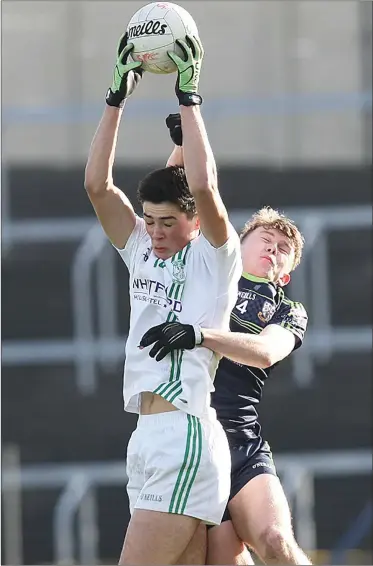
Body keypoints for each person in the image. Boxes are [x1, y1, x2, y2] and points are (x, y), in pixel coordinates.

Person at [84, 32, 242, 565]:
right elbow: (98, 186)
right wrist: (115, 99)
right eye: (148, 221)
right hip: (147, 438)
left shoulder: (214, 257)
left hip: (184, 434)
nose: (153, 231)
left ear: (194, 222)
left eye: (167, 222)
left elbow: (203, 185)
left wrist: (188, 95)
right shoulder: (140, 250)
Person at [140, 115, 312, 565]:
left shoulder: (286, 309)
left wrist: (202, 336)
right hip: (188, 435)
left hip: (241, 439)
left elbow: (267, 352)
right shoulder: (212, 269)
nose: (272, 248)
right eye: (266, 239)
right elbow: (173, 202)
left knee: (276, 542)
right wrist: (181, 144)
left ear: (286, 272)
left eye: (282, 250)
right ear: (241, 239)